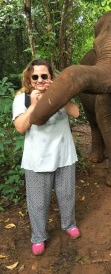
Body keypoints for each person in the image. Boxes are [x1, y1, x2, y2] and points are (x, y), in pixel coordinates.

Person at [12, 59, 80, 256]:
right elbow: (20, 127)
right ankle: (38, 237)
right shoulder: (21, 99)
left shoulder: (61, 95)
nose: (40, 80)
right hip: (37, 159)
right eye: (36, 76)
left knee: (66, 195)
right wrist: (33, 105)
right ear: (29, 79)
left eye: (45, 76)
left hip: (64, 155)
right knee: (38, 201)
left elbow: (75, 113)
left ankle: (69, 224)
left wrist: (61, 96)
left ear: (51, 77)